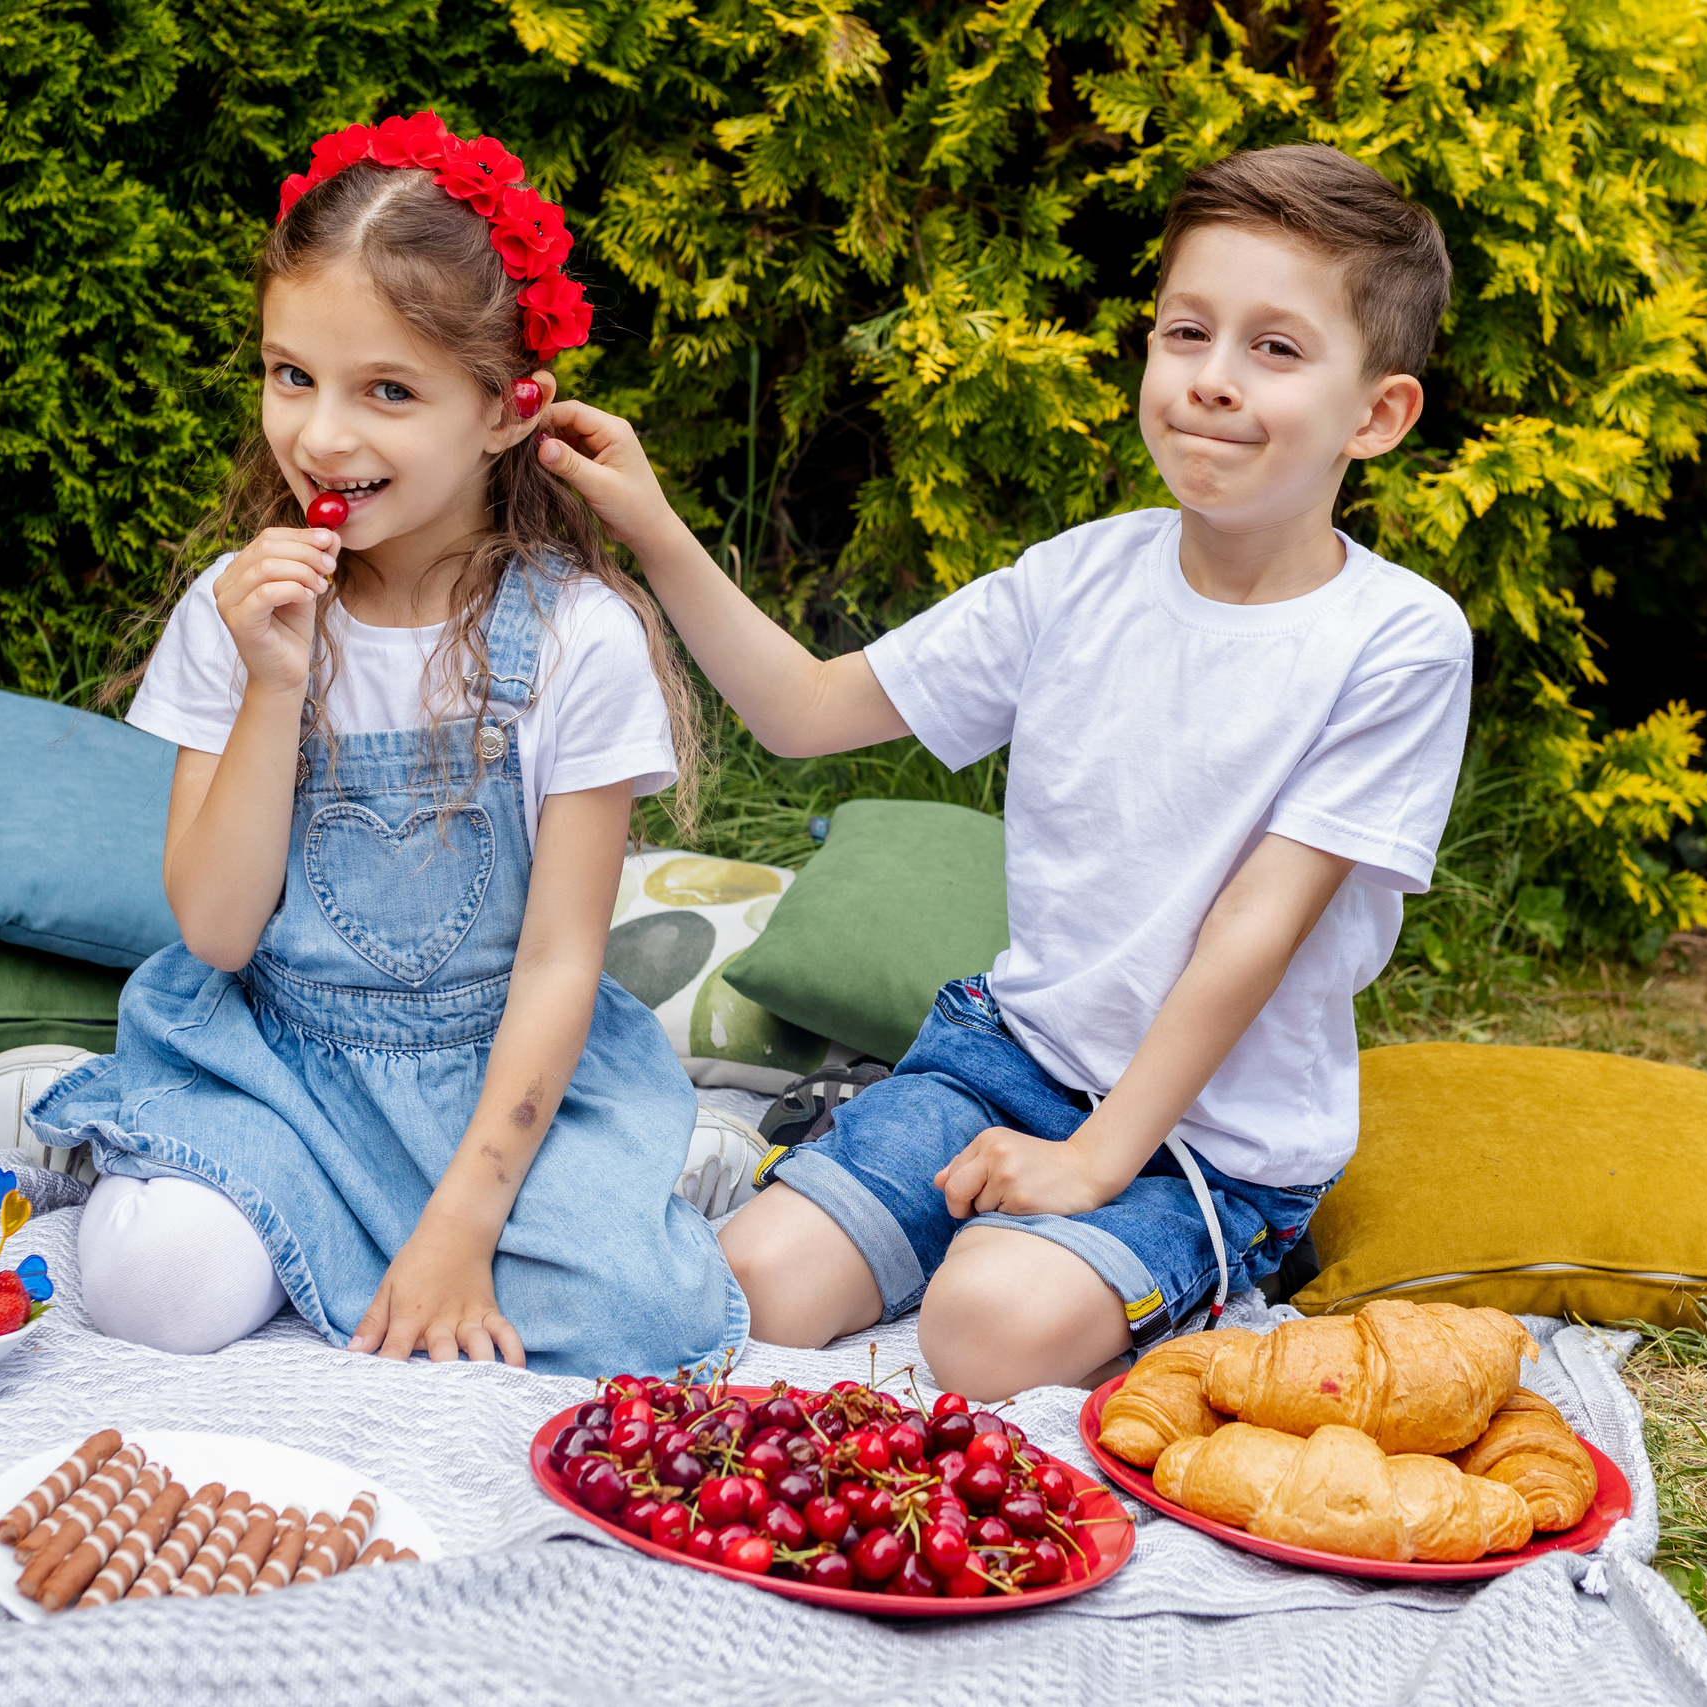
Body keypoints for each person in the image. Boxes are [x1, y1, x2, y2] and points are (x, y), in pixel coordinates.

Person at [538, 144, 1473, 1398]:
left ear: (1377, 416)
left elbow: (1257, 926)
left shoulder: (1398, 641)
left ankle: (1074, 1248)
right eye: (1186, 332)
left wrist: (1093, 1163)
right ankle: (913, 1197)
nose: (1210, 382)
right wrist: (650, 519)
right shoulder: (1079, 577)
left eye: (1275, 350)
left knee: (980, 1331)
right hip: (1008, 1059)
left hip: (1208, 1140)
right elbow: (805, 710)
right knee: (753, 1293)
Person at [23, 111, 748, 1373]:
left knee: (648, 1323)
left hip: (503, 1080)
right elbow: (216, 933)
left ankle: (638, 1174)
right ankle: (120, 1133)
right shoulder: (236, 611)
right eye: (290, 374)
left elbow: (558, 966)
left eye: (388, 392)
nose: (320, 435)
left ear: (509, 410)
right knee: (156, 1291)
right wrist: (271, 687)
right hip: (278, 1066)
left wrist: (465, 1222)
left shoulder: (580, 640)